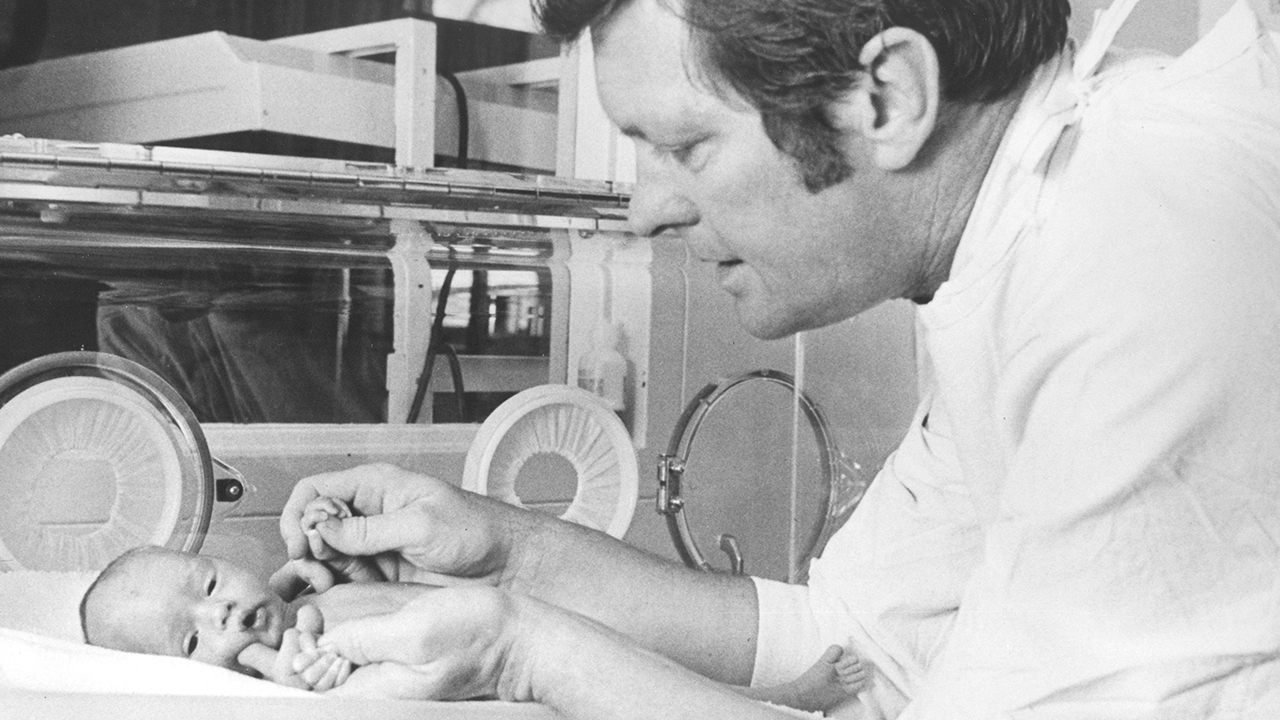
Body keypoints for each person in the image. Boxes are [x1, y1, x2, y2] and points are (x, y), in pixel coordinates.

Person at [275, 0, 1280, 717]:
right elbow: (850, 643)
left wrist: (520, 650)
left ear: (884, 98)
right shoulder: (1007, 238)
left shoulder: (1132, 251)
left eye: (682, 147)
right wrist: (512, 554)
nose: (644, 208)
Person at [81, 499, 871, 713]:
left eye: (211, 582)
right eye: (190, 643)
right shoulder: (288, 671)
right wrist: (299, 662)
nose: (220, 614)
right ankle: (782, 703)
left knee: (652, 662)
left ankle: (776, 697)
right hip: (509, 672)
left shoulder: (304, 593)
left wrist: (315, 581)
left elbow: (299, 598)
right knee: (646, 683)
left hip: (547, 630)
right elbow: (300, 678)